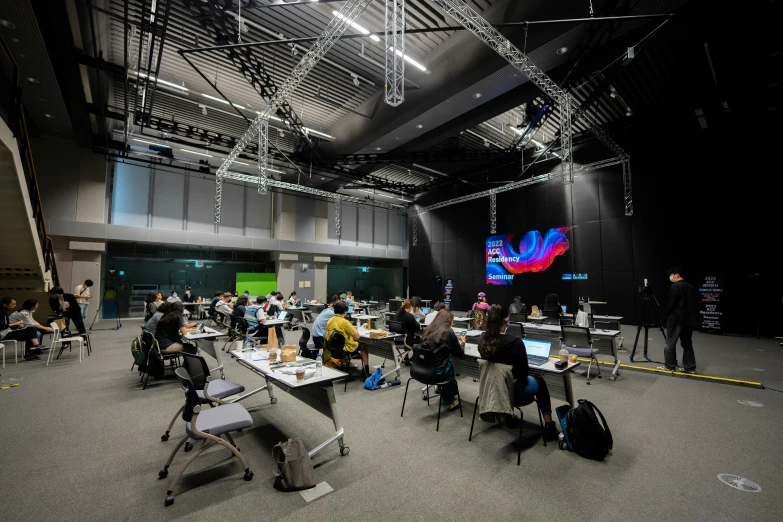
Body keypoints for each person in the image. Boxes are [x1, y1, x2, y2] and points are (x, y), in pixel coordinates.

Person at [477, 305, 559, 441]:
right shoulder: (516, 342)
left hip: (490, 389)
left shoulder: (482, 339)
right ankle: (549, 425)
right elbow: (524, 373)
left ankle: (509, 416)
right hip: (513, 393)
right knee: (540, 382)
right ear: (506, 320)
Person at [419, 309, 466, 411]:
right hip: (437, 372)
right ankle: (449, 401)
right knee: (449, 367)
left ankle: (444, 392)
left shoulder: (428, 330)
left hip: (422, 369)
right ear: (448, 321)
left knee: (445, 363)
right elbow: (458, 353)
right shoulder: (448, 331)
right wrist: (462, 342)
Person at [660, 267, 699, 373]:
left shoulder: (675, 286)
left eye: (671, 275)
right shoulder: (691, 287)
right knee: (687, 344)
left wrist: (666, 314)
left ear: (677, 274)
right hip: (688, 320)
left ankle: (669, 366)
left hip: (676, 319)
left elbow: (670, 304)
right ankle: (690, 368)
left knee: (670, 343)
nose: (670, 277)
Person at [325, 300, 368, 376]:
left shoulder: (329, 321)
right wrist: (354, 329)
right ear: (345, 311)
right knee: (364, 346)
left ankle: (348, 362)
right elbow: (357, 336)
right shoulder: (345, 322)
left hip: (333, 348)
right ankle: (366, 370)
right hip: (346, 348)